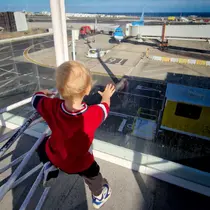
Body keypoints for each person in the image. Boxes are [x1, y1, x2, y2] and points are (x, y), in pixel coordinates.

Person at [32, 61, 115, 209]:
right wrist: (106, 95)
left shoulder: (52, 106)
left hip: (56, 155)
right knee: (94, 174)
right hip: (79, 163)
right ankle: (99, 196)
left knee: (43, 144)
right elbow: (105, 106)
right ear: (87, 90)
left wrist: (42, 92)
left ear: (59, 89)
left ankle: (48, 165)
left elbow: (35, 99)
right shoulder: (92, 114)